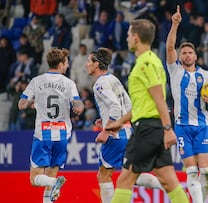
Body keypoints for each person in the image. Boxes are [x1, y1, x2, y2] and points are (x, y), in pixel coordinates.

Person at [105, 19, 189, 203]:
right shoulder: (151, 60)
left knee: (125, 180)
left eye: (128, 35)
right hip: (154, 127)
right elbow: (144, 104)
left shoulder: (146, 64)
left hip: (148, 129)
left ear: (135, 38)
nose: (126, 39)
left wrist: (168, 129)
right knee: (169, 182)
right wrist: (120, 122)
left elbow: (159, 98)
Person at [166, 6, 208, 203]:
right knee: (192, 171)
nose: (186, 55)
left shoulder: (206, 76)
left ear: (195, 56)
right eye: (183, 53)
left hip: (202, 126)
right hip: (183, 126)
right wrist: (175, 24)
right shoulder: (175, 71)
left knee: (206, 173)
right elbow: (170, 48)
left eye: (189, 53)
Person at [85, 47, 164, 203]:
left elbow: (115, 106)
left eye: (89, 61)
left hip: (115, 135)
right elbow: (128, 106)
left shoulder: (100, 84)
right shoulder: (114, 79)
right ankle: (169, 186)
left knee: (104, 175)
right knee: (132, 175)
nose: (86, 64)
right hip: (127, 132)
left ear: (96, 64)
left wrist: (107, 129)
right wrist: (105, 119)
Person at [18, 48, 84, 202]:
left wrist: (32, 103)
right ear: (60, 64)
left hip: (43, 133)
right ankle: (54, 183)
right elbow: (78, 104)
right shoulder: (69, 83)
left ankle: (55, 183)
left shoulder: (36, 81)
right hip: (62, 134)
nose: (67, 66)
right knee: (51, 173)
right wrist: (78, 107)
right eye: (66, 63)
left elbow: (21, 104)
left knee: (35, 179)